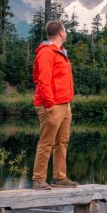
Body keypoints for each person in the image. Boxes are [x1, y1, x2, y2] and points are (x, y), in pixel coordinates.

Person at [32, 20, 77, 189]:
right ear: (60, 33)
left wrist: (65, 104)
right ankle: (38, 179)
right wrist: (49, 103)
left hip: (65, 104)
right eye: (65, 30)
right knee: (46, 142)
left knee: (62, 142)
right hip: (51, 105)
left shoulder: (60, 52)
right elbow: (41, 79)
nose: (66, 33)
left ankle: (60, 177)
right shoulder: (46, 52)